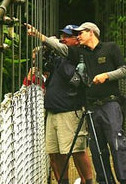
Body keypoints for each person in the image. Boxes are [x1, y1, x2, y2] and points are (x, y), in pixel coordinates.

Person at [28, 22, 126, 184]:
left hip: (110, 104)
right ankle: (105, 181)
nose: (78, 36)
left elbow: (124, 69)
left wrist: (106, 75)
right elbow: (62, 49)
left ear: (91, 32)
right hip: (92, 107)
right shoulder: (80, 53)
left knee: (117, 144)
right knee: (97, 150)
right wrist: (39, 35)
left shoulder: (111, 48)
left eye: (81, 33)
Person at [42, 25, 93, 184]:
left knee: (77, 150)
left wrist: (59, 59)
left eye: (67, 36)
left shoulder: (79, 56)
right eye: (62, 35)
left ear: (76, 40)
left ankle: (88, 182)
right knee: (55, 153)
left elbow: (76, 81)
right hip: (53, 111)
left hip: (70, 111)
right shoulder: (58, 58)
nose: (63, 39)